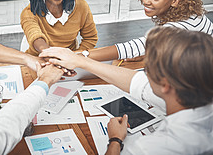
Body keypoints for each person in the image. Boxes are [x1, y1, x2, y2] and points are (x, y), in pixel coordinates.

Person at [39, 27, 213, 154]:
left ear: (166, 85)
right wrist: (81, 61)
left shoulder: (152, 148)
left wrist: (115, 140)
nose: (144, 73)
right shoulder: (190, 91)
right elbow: (137, 83)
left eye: (147, 68)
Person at [82, 0, 213, 62]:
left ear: (175, 0)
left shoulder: (175, 29)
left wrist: (82, 56)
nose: (145, 0)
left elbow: (133, 47)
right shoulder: (193, 14)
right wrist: (149, 53)